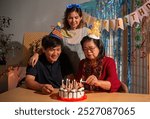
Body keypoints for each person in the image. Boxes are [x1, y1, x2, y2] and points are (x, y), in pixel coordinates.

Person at [29, 4, 89, 75]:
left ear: (81, 17)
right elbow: (47, 44)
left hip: (83, 71)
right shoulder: (60, 31)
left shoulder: (86, 32)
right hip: (65, 72)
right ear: (66, 18)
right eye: (70, 18)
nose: (73, 21)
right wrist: (36, 54)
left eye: (76, 17)